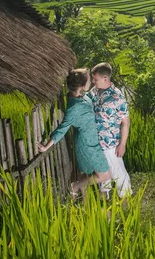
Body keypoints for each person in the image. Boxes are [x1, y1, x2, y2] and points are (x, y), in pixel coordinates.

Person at [37, 68, 110, 199]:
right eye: (89, 80)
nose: (91, 82)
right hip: (88, 144)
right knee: (104, 175)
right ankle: (74, 187)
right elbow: (62, 129)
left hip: (87, 140)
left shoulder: (79, 96)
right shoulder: (74, 108)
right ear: (82, 85)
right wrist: (45, 147)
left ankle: (86, 208)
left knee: (84, 176)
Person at [88, 62, 132, 198]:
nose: (93, 82)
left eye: (95, 79)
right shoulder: (94, 92)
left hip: (110, 144)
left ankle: (126, 201)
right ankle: (104, 201)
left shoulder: (117, 97)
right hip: (96, 143)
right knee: (102, 174)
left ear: (105, 78)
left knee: (118, 173)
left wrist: (122, 144)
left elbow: (125, 122)